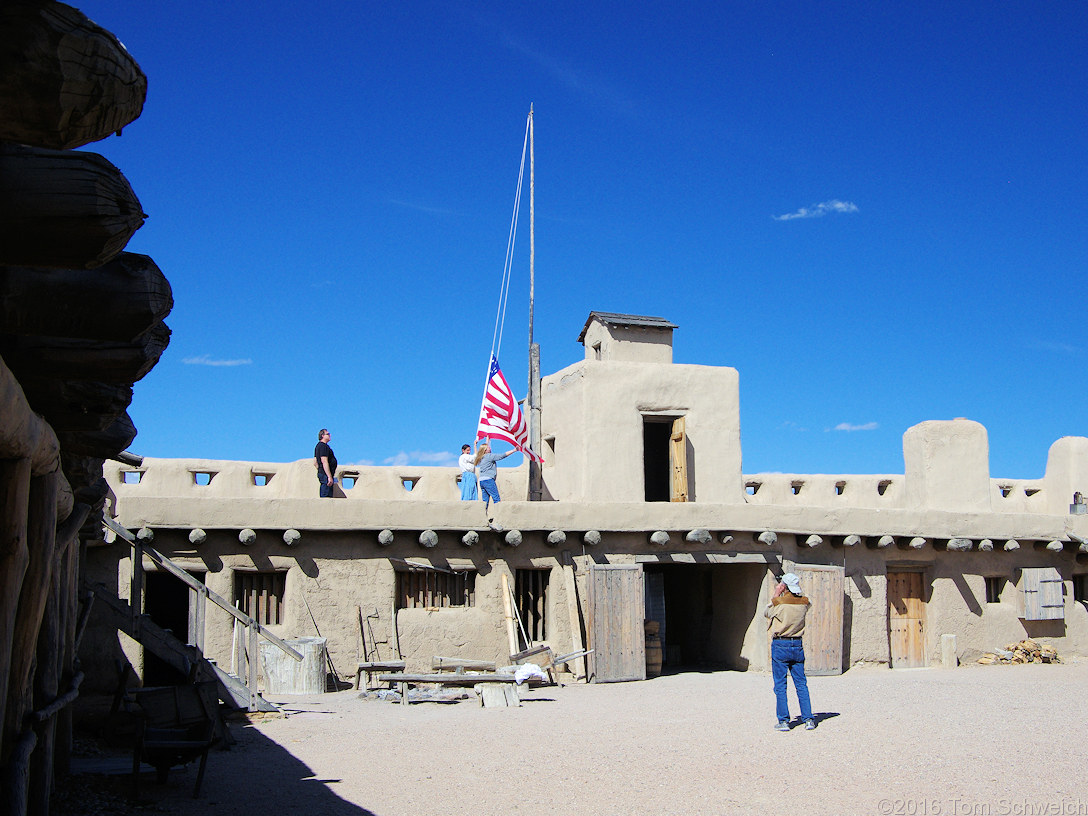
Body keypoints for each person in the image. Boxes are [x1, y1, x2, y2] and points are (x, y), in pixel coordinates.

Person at [764, 572, 816, 731]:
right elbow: (807, 601)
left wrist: (775, 594)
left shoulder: (779, 604)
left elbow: (767, 613)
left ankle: (784, 721)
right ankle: (808, 719)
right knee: (801, 684)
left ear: (784, 587)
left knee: (780, 684)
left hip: (781, 644)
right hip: (797, 644)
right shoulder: (804, 603)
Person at [473, 440, 514, 513]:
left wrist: (475, 445)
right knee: (496, 499)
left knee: (485, 501)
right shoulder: (489, 456)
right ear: (485, 450)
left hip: (482, 481)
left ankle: (483, 517)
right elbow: (502, 456)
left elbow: (476, 454)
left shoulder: (480, 458)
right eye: (488, 447)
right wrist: (514, 450)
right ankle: (498, 517)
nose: (490, 448)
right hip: (488, 480)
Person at [314, 428, 337, 497]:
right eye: (328, 434)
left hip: (323, 474)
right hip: (325, 475)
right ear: (322, 435)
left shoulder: (319, 446)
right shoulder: (323, 446)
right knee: (326, 496)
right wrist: (329, 476)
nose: (330, 435)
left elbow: (315, 462)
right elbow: (324, 461)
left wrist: (320, 470)